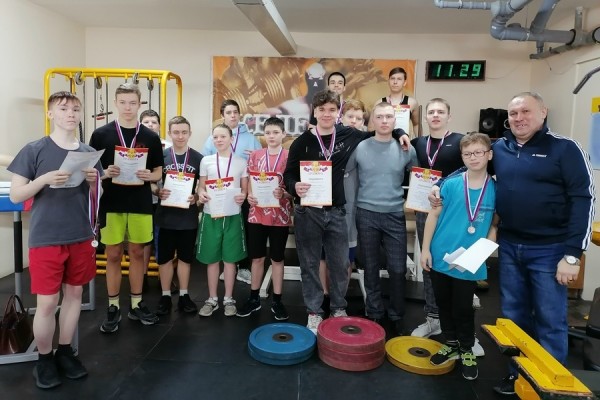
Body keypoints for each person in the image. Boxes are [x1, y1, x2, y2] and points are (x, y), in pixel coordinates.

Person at [430, 92, 595, 395]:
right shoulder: (500, 148)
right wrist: (438, 186)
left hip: (550, 250)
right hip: (510, 246)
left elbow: (584, 199)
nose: (519, 118)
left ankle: (549, 385)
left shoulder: (565, 148)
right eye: (513, 113)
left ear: (543, 112)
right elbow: (470, 167)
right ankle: (517, 374)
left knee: (549, 319)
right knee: (514, 318)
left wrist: (573, 255)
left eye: (526, 112)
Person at [283, 90, 409, 334]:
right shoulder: (301, 142)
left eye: (332, 110)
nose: (326, 114)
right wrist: (294, 185)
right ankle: (314, 311)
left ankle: (338, 307)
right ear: (315, 112)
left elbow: (378, 132)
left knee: (340, 264)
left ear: (338, 112)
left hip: (338, 211)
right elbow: (288, 173)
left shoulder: (350, 135)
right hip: (308, 211)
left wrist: (400, 131)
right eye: (322, 110)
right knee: (309, 264)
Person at [8, 91, 103, 389]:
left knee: (74, 296)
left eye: (75, 108)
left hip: (80, 234)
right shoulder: (34, 149)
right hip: (47, 236)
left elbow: (97, 197)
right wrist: (44, 179)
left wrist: (93, 183)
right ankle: (44, 358)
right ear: (50, 114)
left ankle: (65, 351)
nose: (70, 113)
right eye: (63, 109)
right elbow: (16, 195)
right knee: (48, 302)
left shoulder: (88, 151)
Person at [421, 133, 497, 381]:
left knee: (463, 307)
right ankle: (451, 343)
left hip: (470, 262)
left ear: (489, 155)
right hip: (441, 255)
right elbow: (433, 216)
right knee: (443, 303)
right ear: (462, 157)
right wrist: (425, 250)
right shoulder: (451, 185)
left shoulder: (495, 189)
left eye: (478, 152)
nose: (473, 157)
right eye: (467, 154)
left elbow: (495, 226)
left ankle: (466, 348)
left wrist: (482, 254)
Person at [89, 83, 164, 333]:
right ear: (115, 104)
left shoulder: (150, 137)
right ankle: (113, 306)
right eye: (123, 102)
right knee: (112, 254)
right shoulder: (101, 135)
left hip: (140, 202)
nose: (128, 107)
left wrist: (150, 176)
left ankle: (136, 303)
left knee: (138, 253)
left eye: (132, 103)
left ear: (139, 104)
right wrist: (104, 173)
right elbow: (91, 171)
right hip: (111, 202)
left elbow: (158, 172)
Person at [348, 102, 417, 336]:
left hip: (395, 214)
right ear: (372, 121)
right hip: (365, 213)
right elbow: (346, 175)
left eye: (389, 117)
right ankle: (374, 311)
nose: (384, 121)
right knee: (370, 266)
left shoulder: (406, 148)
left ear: (395, 121)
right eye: (379, 117)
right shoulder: (361, 147)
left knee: (398, 268)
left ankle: (396, 314)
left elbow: (419, 178)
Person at [410, 99, 464, 338]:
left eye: (441, 112)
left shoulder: (461, 141)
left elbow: (472, 168)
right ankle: (433, 317)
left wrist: (443, 184)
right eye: (431, 112)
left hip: (454, 213)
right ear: (425, 117)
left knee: (455, 265)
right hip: (425, 211)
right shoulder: (418, 143)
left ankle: (458, 323)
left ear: (449, 116)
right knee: (428, 263)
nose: (435, 115)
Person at [236, 117, 292, 320]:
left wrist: (285, 194)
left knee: (277, 258)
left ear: (283, 134)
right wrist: (250, 195)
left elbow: (293, 187)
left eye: (276, 132)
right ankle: (254, 298)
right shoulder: (256, 155)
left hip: (280, 214)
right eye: (268, 133)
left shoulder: (289, 156)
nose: (271, 136)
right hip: (257, 213)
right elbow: (250, 180)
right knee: (257, 257)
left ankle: (277, 300)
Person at [203, 99, 261, 285]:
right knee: (221, 231)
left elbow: (260, 163)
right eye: (228, 112)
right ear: (222, 115)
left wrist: (255, 156)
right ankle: (227, 266)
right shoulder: (212, 138)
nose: (233, 115)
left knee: (242, 229)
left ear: (240, 114)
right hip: (217, 194)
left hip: (242, 193)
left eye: (235, 112)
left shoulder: (250, 138)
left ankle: (243, 267)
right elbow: (205, 164)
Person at [319, 98, 367, 314]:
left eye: (359, 118)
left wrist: (399, 131)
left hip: (351, 207)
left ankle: (340, 299)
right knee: (323, 256)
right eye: (350, 116)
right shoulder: (328, 138)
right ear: (341, 118)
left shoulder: (366, 141)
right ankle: (324, 296)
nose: (354, 121)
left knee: (346, 257)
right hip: (324, 204)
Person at [196, 123, 249, 317]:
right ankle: (212, 299)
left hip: (233, 214)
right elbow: (201, 187)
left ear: (231, 139)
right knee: (211, 259)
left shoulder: (241, 162)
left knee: (230, 260)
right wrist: (201, 194)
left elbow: (244, 189)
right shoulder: (206, 161)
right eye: (215, 137)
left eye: (223, 136)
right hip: (211, 214)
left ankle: (228, 298)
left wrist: (243, 196)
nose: (219, 140)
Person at [154, 116, 203, 315]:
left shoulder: (198, 158)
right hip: (165, 216)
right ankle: (165, 295)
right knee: (164, 258)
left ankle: (184, 295)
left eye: (184, 132)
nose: (180, 136)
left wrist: (196, 197)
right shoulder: (161, 156)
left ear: (190, 133)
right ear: (169, 133)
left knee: (185, 258)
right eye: (176, 132)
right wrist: (157, 191)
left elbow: (203, 187)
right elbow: (151, 182)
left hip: (187, 218)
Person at [369, 67, 420, 138]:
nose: (395, 82)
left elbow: (416, 125)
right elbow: (371, 128)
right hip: (384, 141)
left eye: (399, 79)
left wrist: (419, 141)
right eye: (392, 78)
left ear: (404, 82)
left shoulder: (412, 103)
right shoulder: (379, 103)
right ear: (388, 81)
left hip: (404, 142)